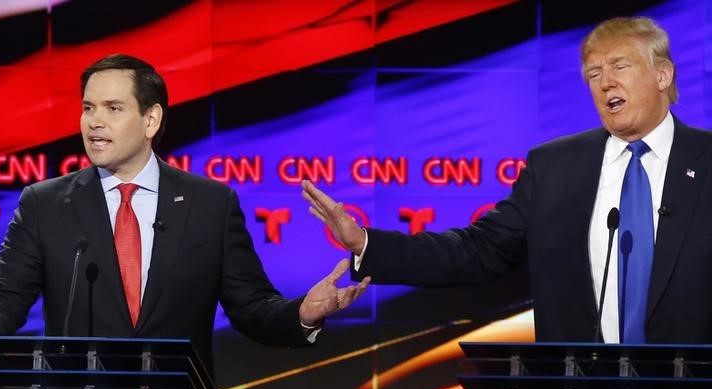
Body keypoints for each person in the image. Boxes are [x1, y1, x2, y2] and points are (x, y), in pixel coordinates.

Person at [302, 16, 712, 344]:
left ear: (662, 75)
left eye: (620, 66)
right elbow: (477, 251)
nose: (605, 83)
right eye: (593, 74)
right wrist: (365, 244)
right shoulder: (555, 166)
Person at [0, 54, 370, 376]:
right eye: (88, 108)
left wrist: (301, 312)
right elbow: (2, 300)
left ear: (150, 120)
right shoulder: (45, 203)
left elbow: (251, 307)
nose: (93, 122)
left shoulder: (210, 205)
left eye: (112, 108)